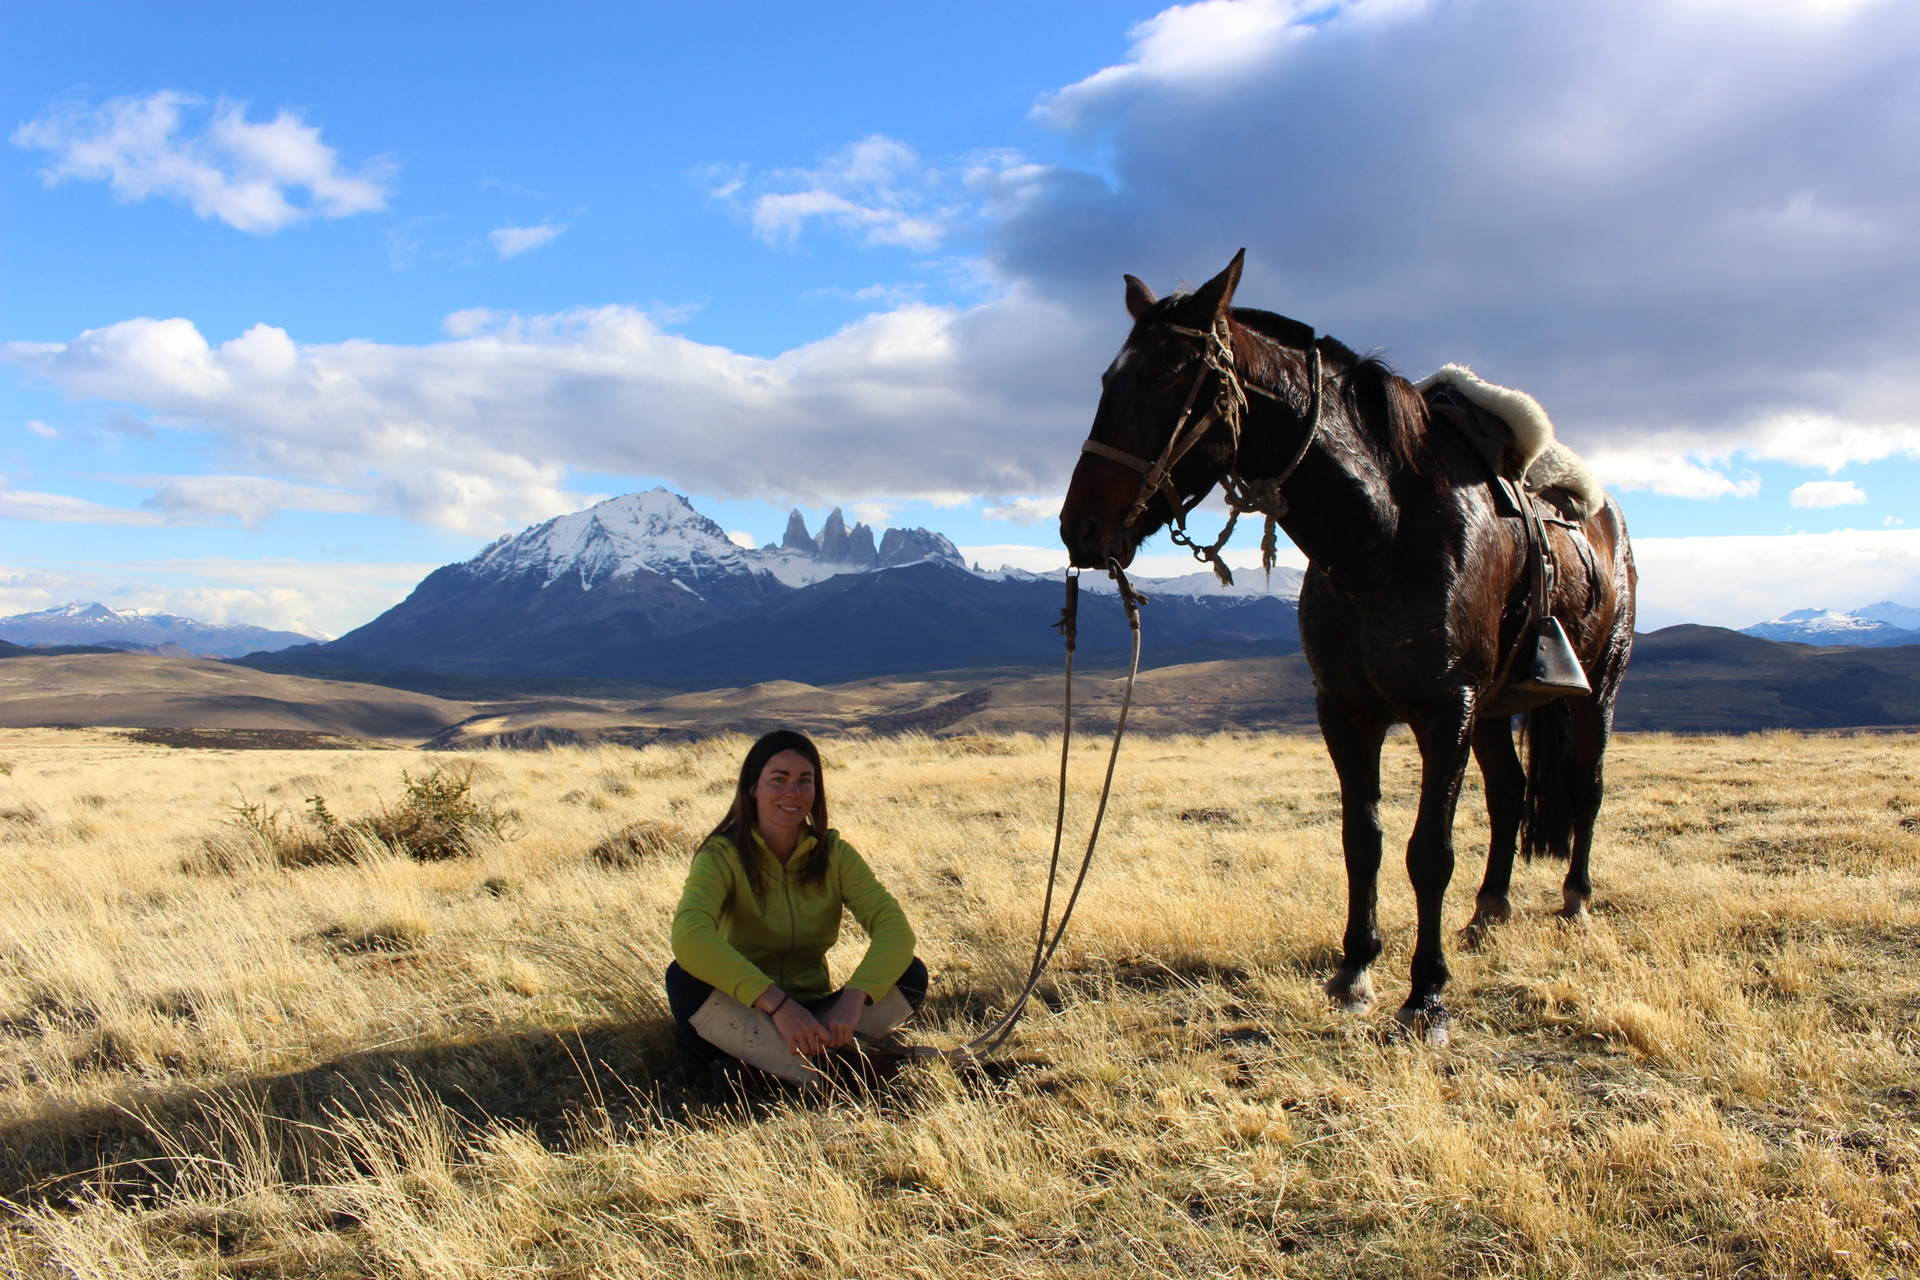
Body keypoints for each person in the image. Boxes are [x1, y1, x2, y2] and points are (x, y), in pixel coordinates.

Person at [665, 729, 926, 1083]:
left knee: (911, 975)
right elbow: (689, 937)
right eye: (778, 779)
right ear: (753, 788)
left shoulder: (833, 855)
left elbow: (894, 929)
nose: (793, 791)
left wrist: (854, 998)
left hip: (818, 1012)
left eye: (805, 780)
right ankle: (833, 1072)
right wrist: (777, 1005)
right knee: (682, 979)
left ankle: (770, 1073)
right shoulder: (720, 856)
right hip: (747, 1012)